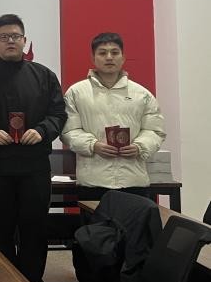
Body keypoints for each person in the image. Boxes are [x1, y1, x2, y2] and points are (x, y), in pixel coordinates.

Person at [0, 14, 67, 282]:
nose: (10, 41)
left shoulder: (44, 76)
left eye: (16, 36)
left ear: (24, 40)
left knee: (35, 227)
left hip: (34, 167)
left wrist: (41, 131)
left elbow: (58, 114)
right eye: (4, 37)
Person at [62, 32, 166, 201]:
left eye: (115, 52)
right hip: (93, 182)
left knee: (135, 220)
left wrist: (139, 146)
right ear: (93, 58)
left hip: (133, 181)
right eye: (102, 53)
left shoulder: (142, 94)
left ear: (123, 57)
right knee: (94, 220)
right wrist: (93, 145)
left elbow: (155, 131)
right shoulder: (76, 93)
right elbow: (68, 131)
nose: (109, 57)